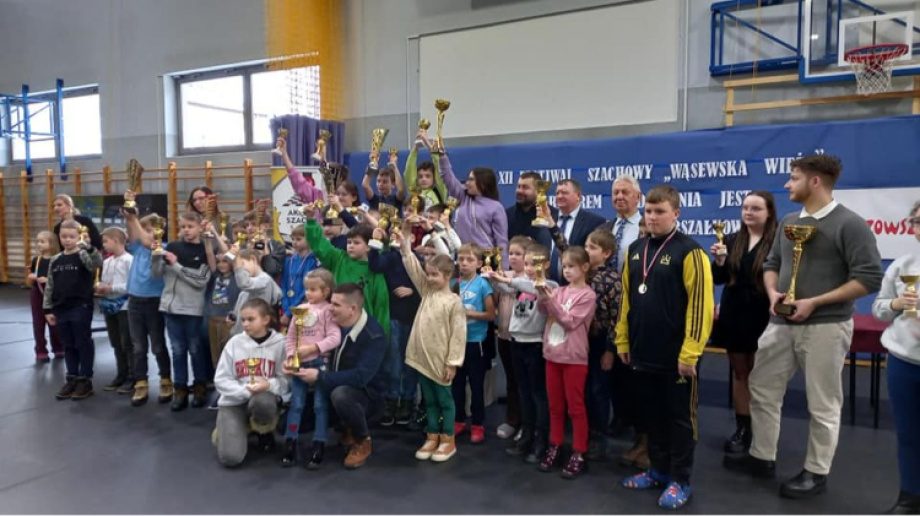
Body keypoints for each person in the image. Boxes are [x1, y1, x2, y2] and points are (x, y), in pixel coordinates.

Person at [724, 155, 883, 500]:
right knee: (762, 387)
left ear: (815, 182)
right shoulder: (789, 222)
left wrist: (816, 302)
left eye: (793, 178)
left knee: (823, 402)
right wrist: (772, 293)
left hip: (826, 326)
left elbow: (869, 277)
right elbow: (772, 263)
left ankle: (816, 471)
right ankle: (761, 456)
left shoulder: (850, 224)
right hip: (779, 323)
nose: (787, 184)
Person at [617, 185, 714, 510]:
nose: (653, 217)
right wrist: (623, 339)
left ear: (676, 213)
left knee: (680, 420)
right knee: (652, 416)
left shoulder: (691, 252)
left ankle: (680, 480)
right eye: (648, 211)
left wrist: (690, 353)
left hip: (677, 356)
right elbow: (627, 300)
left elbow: (700, 306)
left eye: (660, 212)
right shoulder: (635, 250)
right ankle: (657, 470)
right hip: (643, 351)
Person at [709, 191, 777, 453]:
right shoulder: (731, 239)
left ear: (769, 213)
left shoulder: (778, 242)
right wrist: (720, 261)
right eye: (746, 207)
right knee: (740, 372)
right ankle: (742, 428)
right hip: (734, 312)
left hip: (763, 313)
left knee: (761, 375)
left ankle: (763, 429)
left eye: (756, 208)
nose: (749, 212)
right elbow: (719, 278)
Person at [294, 283, 389, 469]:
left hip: (366, 398)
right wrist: (294, 361)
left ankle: (362, 439)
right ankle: (346, 426)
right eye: (331, 302)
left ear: (352, 309)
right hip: (328, 387)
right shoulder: (329, 324)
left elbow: (361, 377)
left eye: (336, 305)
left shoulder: (374, 336)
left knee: (342, 395)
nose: (330, 307)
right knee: (284, 425)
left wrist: (320, 377)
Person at [396, 228, 467, 462]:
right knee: (429, 401)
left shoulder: (454, 301)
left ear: (448, 276)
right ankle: (432, 435)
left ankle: (448, 439)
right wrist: (405, 246)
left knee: (445, 401)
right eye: (428, 274)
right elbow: (413, 268)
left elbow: (458, 335)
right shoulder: (427, 292)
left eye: (435, 275)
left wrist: (453, 362)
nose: (429, 278)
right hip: (422, 357)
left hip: (441, 360)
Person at [872, 200, 920, 515]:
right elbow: (879, 309)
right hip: (904, 362)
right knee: (908, 433)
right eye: (917, 221)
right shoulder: (903, 266)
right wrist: (896, 305)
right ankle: (910, 497)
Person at [534, 247, 596, 479]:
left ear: (585, 268)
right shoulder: (559, 291)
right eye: (564, 266)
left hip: (574, 359)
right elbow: (543, 310)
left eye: (572, 266)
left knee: (575, 407)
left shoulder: (587, 296)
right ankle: (556, 444)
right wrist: (542, 294)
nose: (567, 270)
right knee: (555, 406)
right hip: (553, 356)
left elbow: (569, 321)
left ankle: (579, 452)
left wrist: (550, 301)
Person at [490, 243, 555, 463]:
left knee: (538, 395)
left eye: (534, 264)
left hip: (535, 345)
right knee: (524, 393)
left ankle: (541, 440)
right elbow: (507, 288)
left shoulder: (549, 285)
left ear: (546, 265)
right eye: (526, 263)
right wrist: (493, 276)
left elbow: (531, 287)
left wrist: (508, 280)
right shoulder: (522, 285)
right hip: (517, 342)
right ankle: (526, 436)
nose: (528, 268)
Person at [213, 298, 289, 468]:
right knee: (231, 458)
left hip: (263, 398)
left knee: (263, 402)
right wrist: (246, 390)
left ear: (266, 320)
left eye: (251, 319)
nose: (245, 324)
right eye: (243, 320)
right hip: (234, 402)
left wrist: (269, 385)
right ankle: (235, 427)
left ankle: (263, 429)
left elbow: (286, 381)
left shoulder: (281, 344)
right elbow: (221, 380)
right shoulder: (234, 343)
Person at [280, 269, 341, 469]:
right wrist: (291, 356)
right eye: (306, 289)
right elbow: (291, 337)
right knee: (296, 404)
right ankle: (290, 441)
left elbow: (335, 337)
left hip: (320, 364)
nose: (308, 293)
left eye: (313, 290)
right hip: (300, 364)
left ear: (326, 291)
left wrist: (314, 348)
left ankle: (319, 444)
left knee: (320, 406)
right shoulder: (300, 309)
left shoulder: (328, 311)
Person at [152, 211, 212, 411]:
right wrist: (156, 256)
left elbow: (200, 280)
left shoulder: (204, 250)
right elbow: (156, 274)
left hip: (192, 309)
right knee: (177, 350)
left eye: (190, 226)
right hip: (170, 308)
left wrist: (176, 264)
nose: (186, 230)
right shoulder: (172, 246)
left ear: (199, 228)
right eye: (183, 226)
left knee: (195, 349)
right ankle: (180, 388)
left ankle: (200, 386)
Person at [303, 209, 390, 340]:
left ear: (369, 246)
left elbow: (381, 307)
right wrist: (310, 220)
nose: (351, 246)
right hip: (336, 327)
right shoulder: (338, 258)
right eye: (349, 242)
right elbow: (318, 245)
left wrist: (382, 338)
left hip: (365, 332)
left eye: (356, 243)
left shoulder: (374, 271)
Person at [368, 226, 422, 427]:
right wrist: (375, 243)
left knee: (410, 361)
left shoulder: (418, 259)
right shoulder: (390, 257)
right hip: (393, 315)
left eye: (402, 235)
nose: (397, 238)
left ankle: (407, 400)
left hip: (414, 316)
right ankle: (392, 399)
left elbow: (427, 284)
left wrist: (413, 291)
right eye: (393, 235)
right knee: (393, 360)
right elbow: (375, 266)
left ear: (413, 238)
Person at [43, 220, 104, 400]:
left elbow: (96, 263)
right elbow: (50, 285)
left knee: (82, 342)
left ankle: (85, 379)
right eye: (64, 236)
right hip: (61, 308)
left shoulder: (83, 255)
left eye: (72, 237)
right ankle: (72, 377)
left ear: (78, 237)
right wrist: (47, 309)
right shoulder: (56, 259)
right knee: (68, 344)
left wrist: (89, 247)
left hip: (80, 306)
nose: (67, 240)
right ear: (59, 237)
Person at [122, 194, 173, 407]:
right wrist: (130, 214)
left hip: (154, 302)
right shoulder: (137, 248)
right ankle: (141, 382)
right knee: (138, 346)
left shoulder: (163, 248)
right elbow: (134, 233)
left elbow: (147, 240)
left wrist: (134, 219)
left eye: (153, 230)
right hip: (135, 301)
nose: (149, 234)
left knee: (158, 345)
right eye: (146, 230)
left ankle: (165, 379)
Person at [436, 141, 508, 265]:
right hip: (462, 257)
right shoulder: (463, 197)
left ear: (483, 183)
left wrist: (504, 267)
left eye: (471, 180)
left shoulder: (496, 207)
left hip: (485, 260)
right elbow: (448, 178)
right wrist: (442, 156)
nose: (467, 183)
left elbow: (501, 240)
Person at [452, 243, 496, 445]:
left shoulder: (482, 284)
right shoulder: (454, 283)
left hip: (475, 342)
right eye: (461, 259)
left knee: (477, 386)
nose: (464, 263)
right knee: (457, 385)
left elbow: (491, 315)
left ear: (479, 263)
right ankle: (459, 420)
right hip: (456, 342)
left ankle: (478, 424)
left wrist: (468, 313)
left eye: (469, 260)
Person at [492, 235, 532, 440]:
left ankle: (528, 423)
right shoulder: (503, 274)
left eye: (518, 254)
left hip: (523, 339)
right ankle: (512, 420)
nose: (513, 257)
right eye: (511, 253)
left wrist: (500, 281)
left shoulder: (530, 278)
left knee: (525, 383)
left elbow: (513, 287)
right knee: (511, 381)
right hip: (504, 335)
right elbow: (495, 299)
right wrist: (492, 279)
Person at [95, 227, 135, 393]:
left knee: (127, 342)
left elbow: (132, 285)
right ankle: (121, 374)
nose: (104, 245)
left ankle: (133, 377)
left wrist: (111, 288)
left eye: (106, 241)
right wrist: (101, 287)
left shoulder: (129, 260)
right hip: (110, 305)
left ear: (116, 241)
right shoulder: (107, 261)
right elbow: (105, 281)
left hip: (125, 306)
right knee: (116, 342)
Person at [549, 180, 606, 284]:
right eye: (557, 193)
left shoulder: (594, 222)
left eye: (564, 193)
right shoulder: (547, 220)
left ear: (578, 195)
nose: (559, 196)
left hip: (579, 286)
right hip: (548, 286)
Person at [203, 253, 239, 409]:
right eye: (219, 262)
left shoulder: (237, 278)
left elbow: (235, 259)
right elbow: (209, 254)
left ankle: (230, 390)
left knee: (229, 356)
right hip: (213, 319)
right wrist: (208, 242)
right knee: (215, 356)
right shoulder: (215, 276)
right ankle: (219, 389)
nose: (221, 264)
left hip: (228, 321)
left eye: (225, 261)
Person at [225, 248, 282, 336]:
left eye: (242, 264)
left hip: (256, 336)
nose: (241, 270)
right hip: (239, 336)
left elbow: (244, 283)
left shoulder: (265, 280)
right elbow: (237, 313)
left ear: (253, 259)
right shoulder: (244, 292)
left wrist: (238, 263)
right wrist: (231, 318)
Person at [26, 230, 63, 362]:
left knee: (54, 322)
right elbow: (30, 278)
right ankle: (41, 350)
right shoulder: (36, 260)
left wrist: (48, 280)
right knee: (38, 323)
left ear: (52, 243)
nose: (39, 244)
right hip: (38, 294)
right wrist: (32, 277)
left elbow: (62, 279)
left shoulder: (58, 260)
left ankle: (58, 347)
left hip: (53, 294)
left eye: (42, 241)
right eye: (37, 241)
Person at [506, 172, 558, 252]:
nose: (520, 191)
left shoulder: (553, 216)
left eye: (525, 187)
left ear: (538, 190)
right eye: (518, 187)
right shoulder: (507, 215)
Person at [280, 225, 319, 327]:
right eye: (293, 239)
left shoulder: (311, 261)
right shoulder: (288, 260)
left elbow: (307, 288)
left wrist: (290, 312)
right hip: (287, 305)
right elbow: (284, 284)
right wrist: (286, 309)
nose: (294, 242)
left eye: (299, 239)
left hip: (303, 305)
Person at [405, 133, 448, 210]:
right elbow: (409, 170)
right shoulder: (414, 192)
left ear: (434, 179)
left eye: (428, 176)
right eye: (420, 176)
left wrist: (427, 142)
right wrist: (416, 146)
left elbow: (438, 165)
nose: (423, 179)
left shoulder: (439, 191)